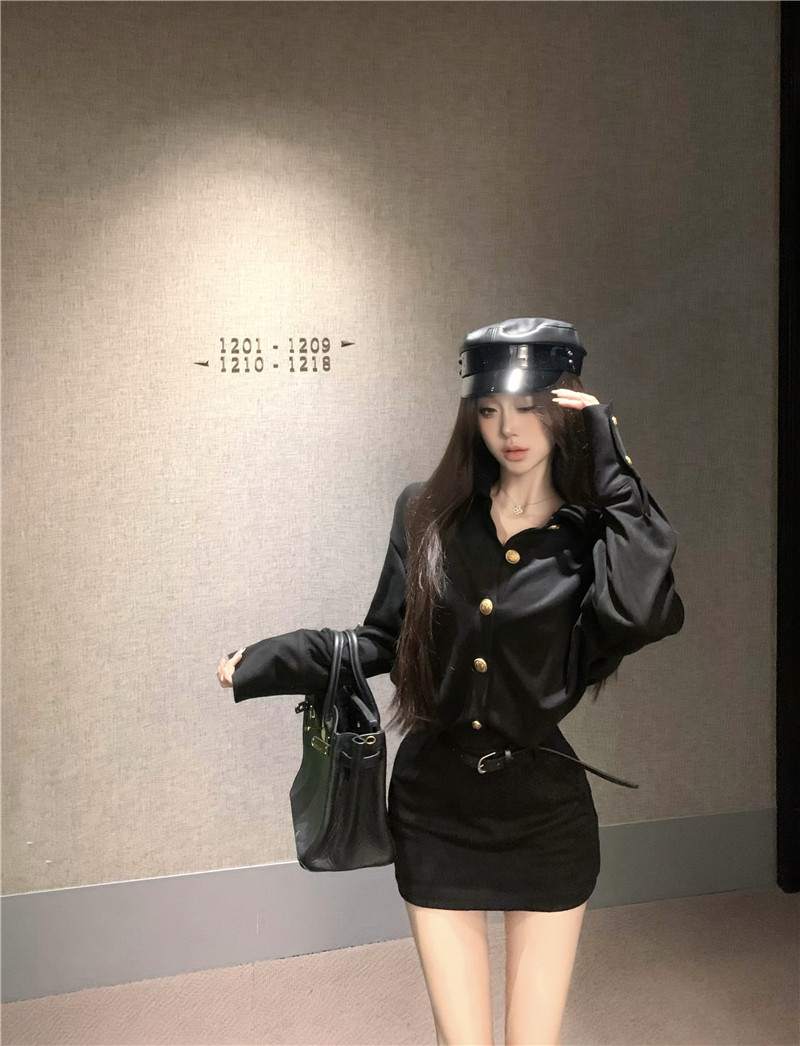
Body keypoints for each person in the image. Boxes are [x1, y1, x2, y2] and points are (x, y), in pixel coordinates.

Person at [216, 316, 685, 1046]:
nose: (510, 429)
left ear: (568, 411)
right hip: (435, 807)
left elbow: (642, 613)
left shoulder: (594, 532)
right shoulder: (426, 512)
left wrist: (614, 470)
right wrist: (271, 660)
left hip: (543, 811)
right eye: (490, 409)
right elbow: (382, 639)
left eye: (530, 407)